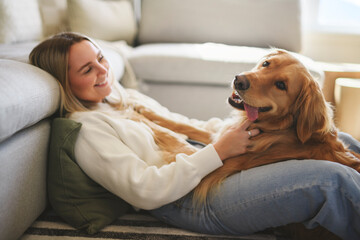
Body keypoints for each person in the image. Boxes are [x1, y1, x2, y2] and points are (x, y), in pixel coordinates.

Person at [29, 32, 360, 240]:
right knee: (330, 181)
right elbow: (146, 191)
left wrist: (228, 133)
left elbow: (181, 121)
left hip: (205, 169)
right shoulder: (88, 130)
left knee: (343, 143)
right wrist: (218, 151)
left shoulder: (121, 97)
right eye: (87, 69)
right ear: (64, 83)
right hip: (190, 202)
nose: (103, 71)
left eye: (101, 58)